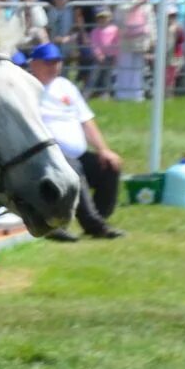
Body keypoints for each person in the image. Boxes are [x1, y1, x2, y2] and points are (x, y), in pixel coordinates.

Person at [24, 42, 124, 241]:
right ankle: (92, 225)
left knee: (110, 167)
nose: (55, 66)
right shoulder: (26, 88)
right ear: (34, 64)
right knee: (73, 169)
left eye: (58, 62)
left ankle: (99, 219)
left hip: (76, 153)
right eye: (49, 62)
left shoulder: (66, 86)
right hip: (44, 157)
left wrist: (104, 149)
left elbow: (86, 120)